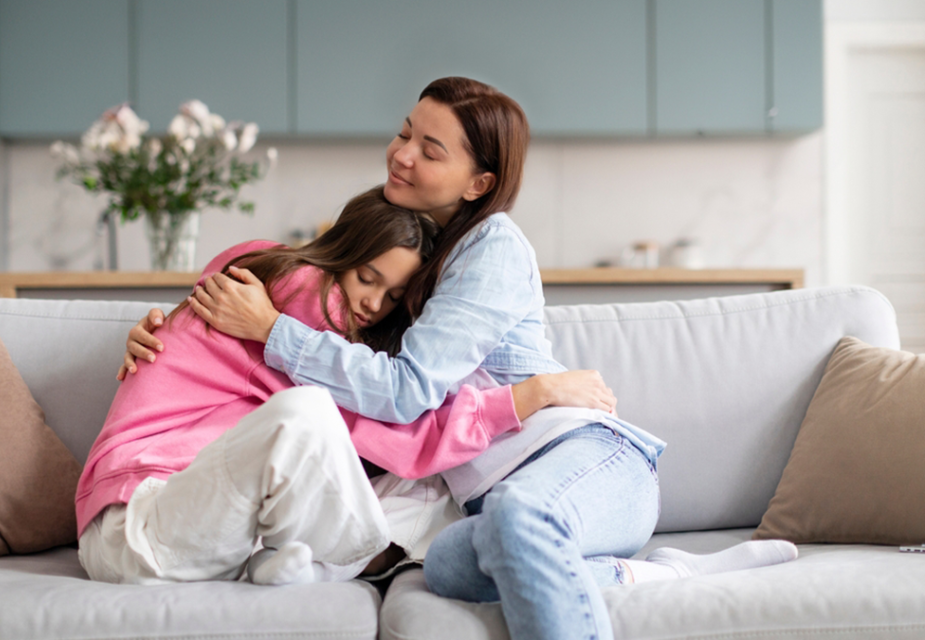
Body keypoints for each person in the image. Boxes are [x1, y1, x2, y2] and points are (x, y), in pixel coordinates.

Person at [120, 78, 797, 638]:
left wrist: (272, 330)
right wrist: (168, 336)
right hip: (491, 503)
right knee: (443, 568)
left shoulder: (491, 247)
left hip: (585, 462)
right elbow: (308, 350)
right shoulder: (405, 262)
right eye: (405, 131)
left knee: (516, 519)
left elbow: (406, 391)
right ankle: (656, 575)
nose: (401, 153)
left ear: (478, 183)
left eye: (430, 148)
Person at [78, 186, 612, 588]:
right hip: (140, 519)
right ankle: (360, 557)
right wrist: (531, 393)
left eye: (394, 295)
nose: (374, 304)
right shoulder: (297, 294)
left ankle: (292, 560)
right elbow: (402, 432)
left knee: (423, 489)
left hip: (202, 525)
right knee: (310, 414)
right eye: (367, 277)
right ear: (344, 251)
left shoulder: (281, 296)